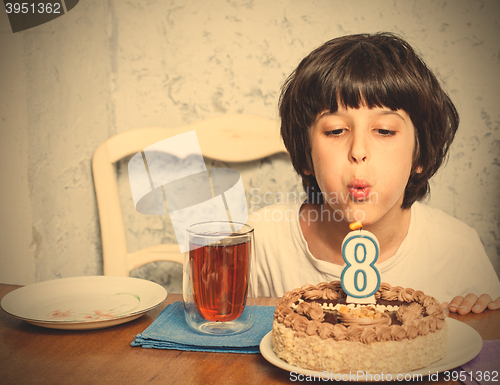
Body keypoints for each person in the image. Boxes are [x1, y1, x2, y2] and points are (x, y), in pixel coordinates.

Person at [248, 32, 500, 314]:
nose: (358, 150)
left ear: (419, 152)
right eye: (335, 131)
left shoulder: (459, 250)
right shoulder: (258, 242)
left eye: (384, 131)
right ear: (306, 153)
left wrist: (480, 316)